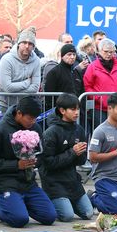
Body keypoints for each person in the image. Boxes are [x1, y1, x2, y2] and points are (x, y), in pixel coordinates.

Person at [0, 97, 57, 228]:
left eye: (35, 118)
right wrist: (16, 165)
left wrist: (35, 161)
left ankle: (17, 204)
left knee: (50, 216)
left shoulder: (35, 128)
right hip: (5, 183)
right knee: (19, 220)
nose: (33, 122)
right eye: (29, 118)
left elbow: (42, 154)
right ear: (19, 113)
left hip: (28, 183)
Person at [39, 94, 93, 222]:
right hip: (54, 181)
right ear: (62, 111)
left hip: (72, 180)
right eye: (72, 109)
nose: (76, 113)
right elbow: (48, 163)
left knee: (88, 213)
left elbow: (81, 161)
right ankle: (49, 200)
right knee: (67, 216)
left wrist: (80, 153)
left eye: (78, 109)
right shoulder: (51, 132)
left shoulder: (79, 130)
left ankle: (73, 201)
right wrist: (72, 152)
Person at [83, 38, 117, 127]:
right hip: (99, 108)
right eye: (106, 51)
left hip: (116, 106)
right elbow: (87, 86)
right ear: (99, 51)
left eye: (111, 52)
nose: (109, 54)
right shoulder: (92, 67)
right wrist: (99, 99)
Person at [0, 30, 41, 113]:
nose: (27, 46)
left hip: (25, 106)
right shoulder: (6, 59)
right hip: (6, 105)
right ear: (18, 44)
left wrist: (15, 89)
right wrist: (27, 82)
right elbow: (7, 87)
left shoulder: (36, 61)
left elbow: (35, 87)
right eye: (24, 42)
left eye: (30, 44)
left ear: (34, 46)